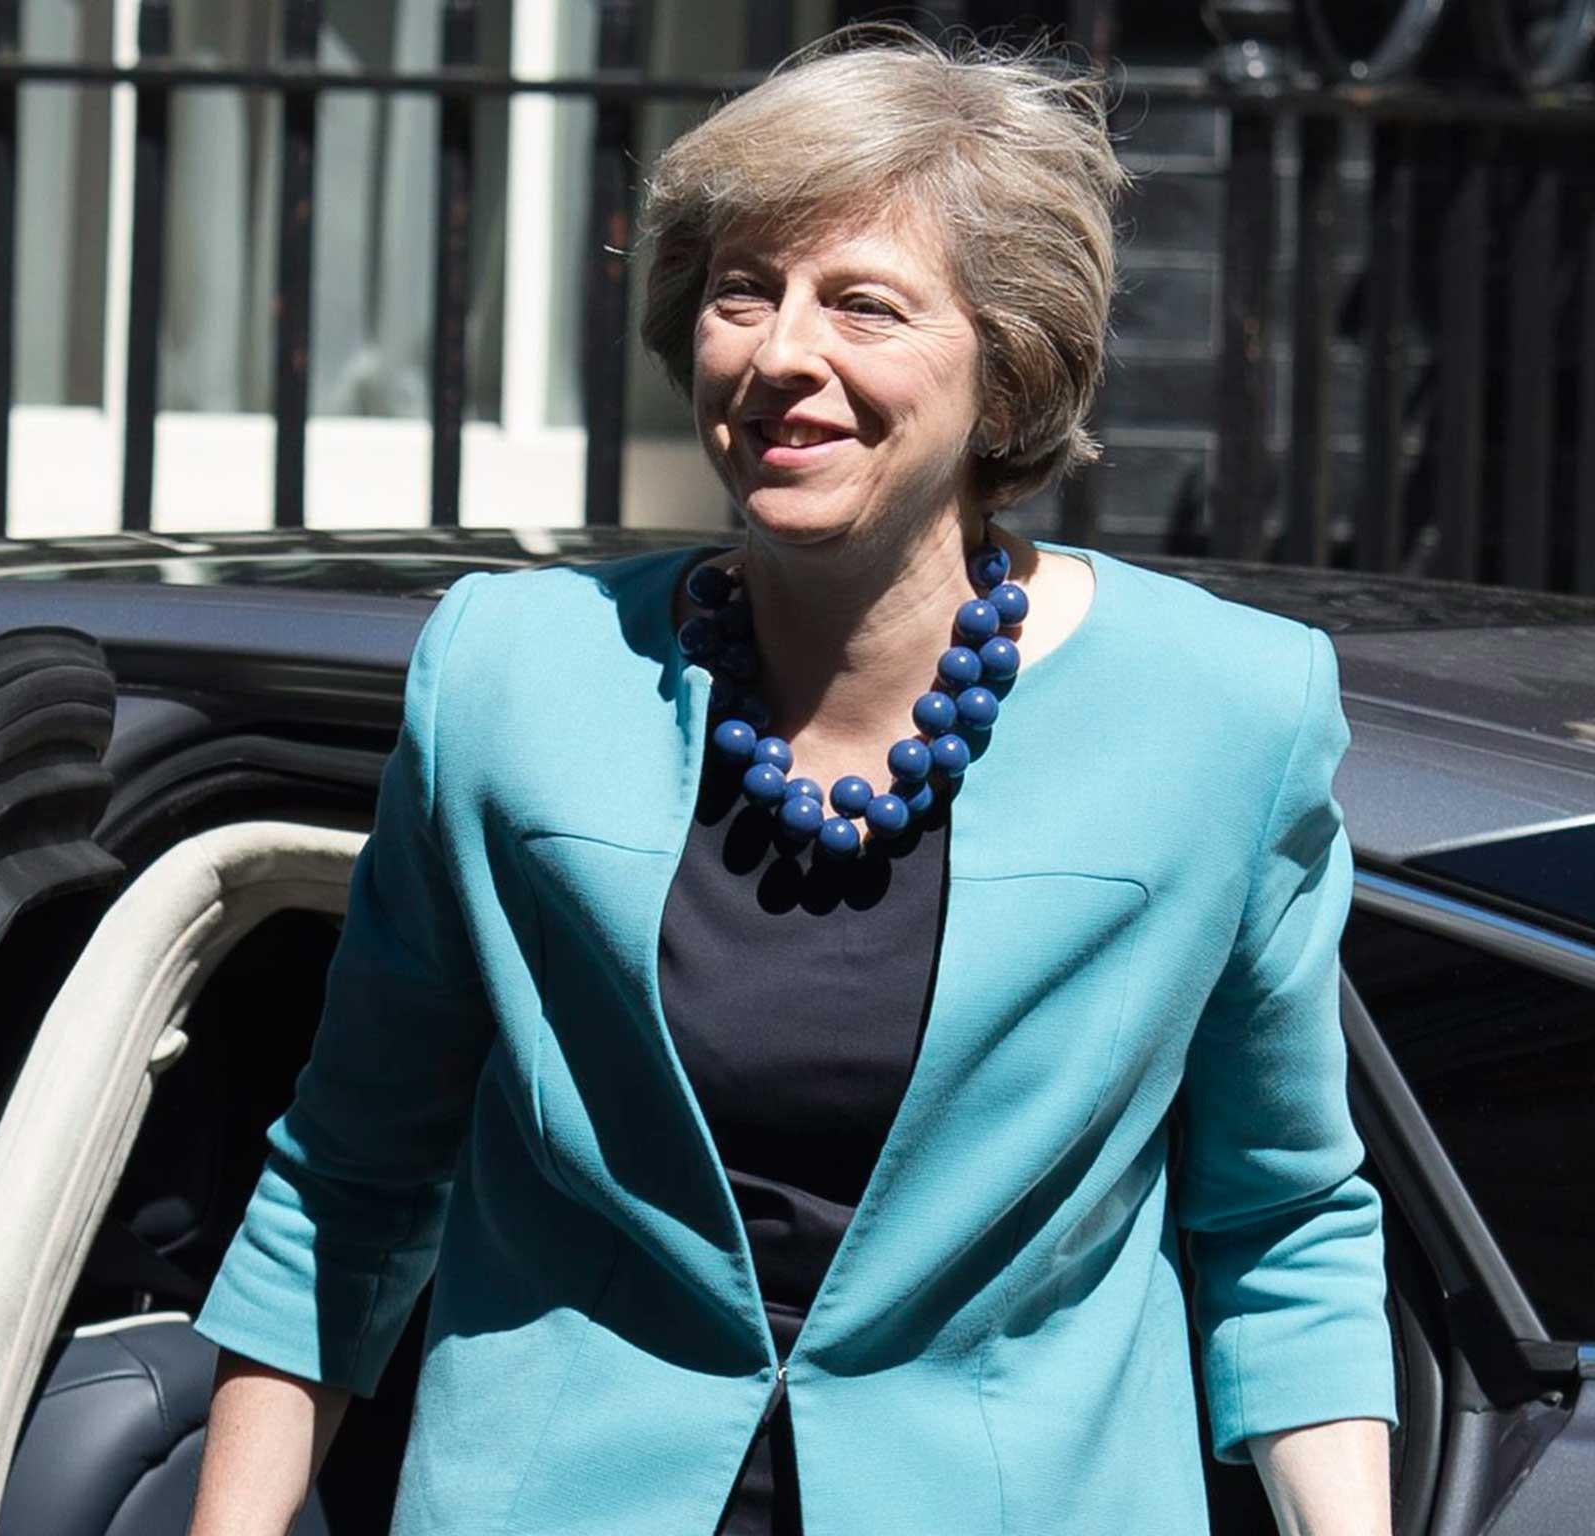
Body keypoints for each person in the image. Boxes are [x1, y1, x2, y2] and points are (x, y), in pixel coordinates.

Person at [187, 25, 1398, 1536]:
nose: (778, 355)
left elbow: (1283, 1221)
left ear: (1006, 365)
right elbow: (348, 1180)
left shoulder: (1224, 712)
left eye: (863, 305)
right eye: (741, 293)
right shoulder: (513, 677)